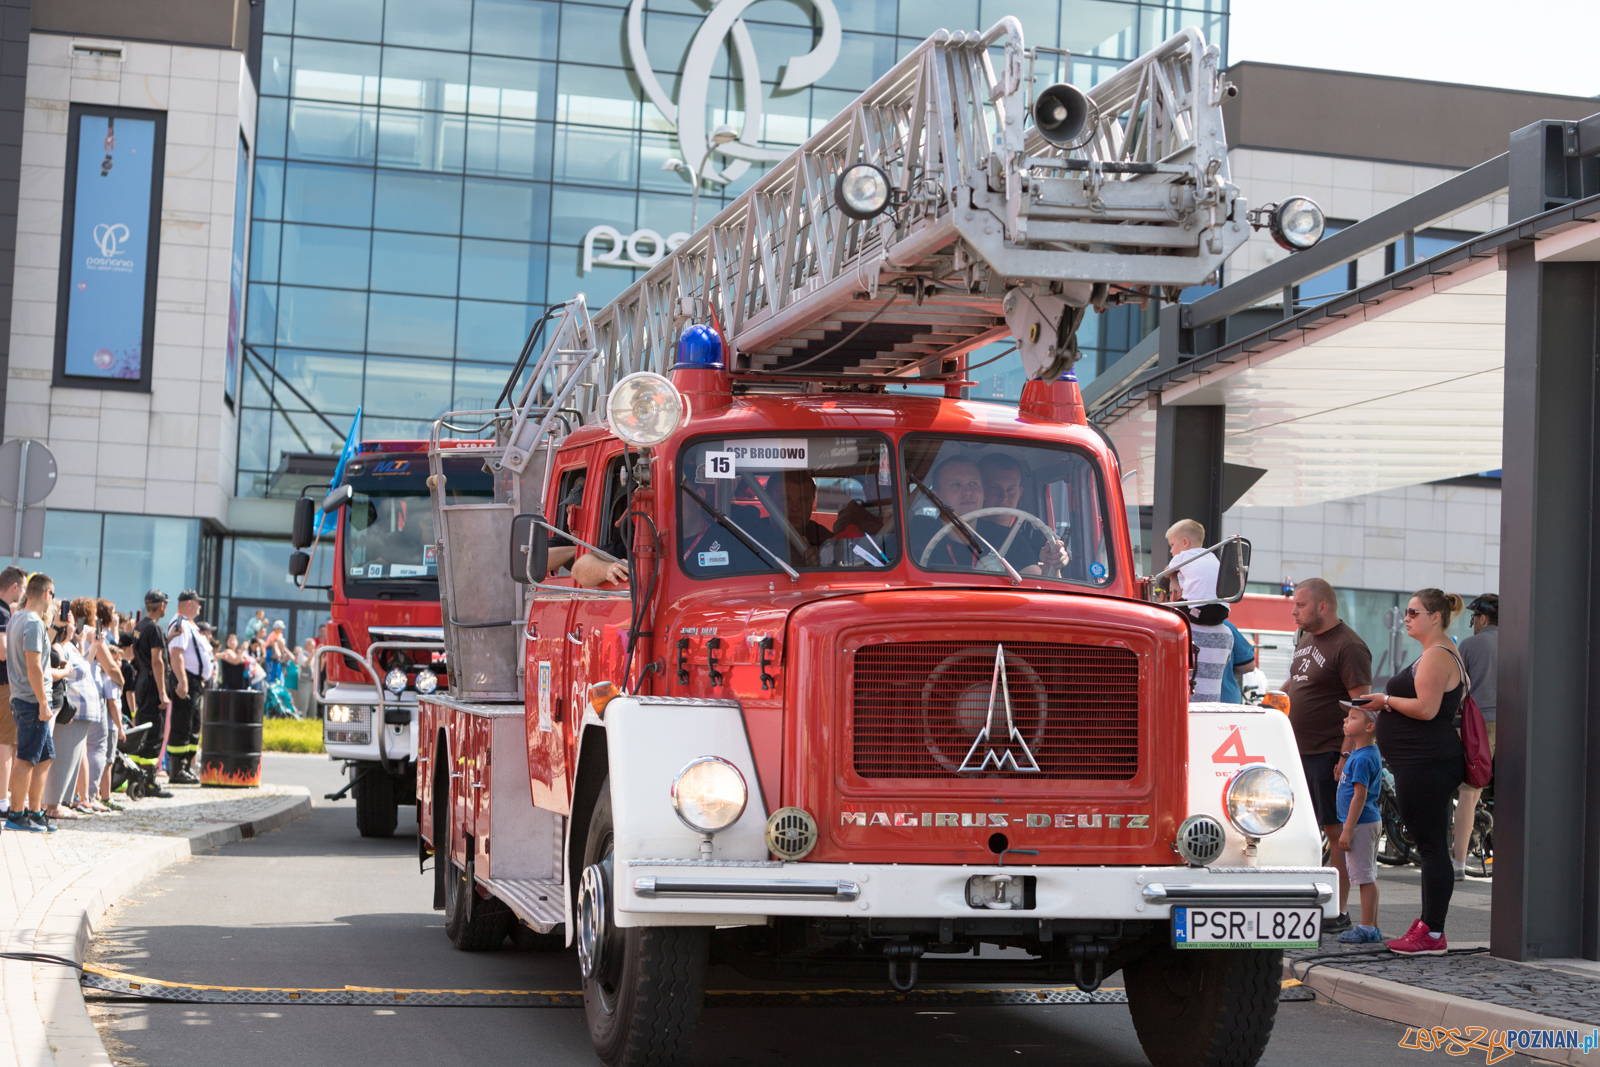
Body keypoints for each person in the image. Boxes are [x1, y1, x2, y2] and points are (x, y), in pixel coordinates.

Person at [1362, 589, 1468, 955]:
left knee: (1431, 846)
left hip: (1427, 762)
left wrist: (1385, 701)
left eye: (1413, 612)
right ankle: (1429, 926)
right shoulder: (1433, 653)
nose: (1406, 617)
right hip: (1420, 762)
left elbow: (1426, 708)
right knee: (1429, 845)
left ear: (1435, 617)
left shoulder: (1438, 654)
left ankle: (1433, 933)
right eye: (1405, 612)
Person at [1284, 577, 1372, 933]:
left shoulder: (1349, 646)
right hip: (1297, 751)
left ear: (1323, 606)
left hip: (1329, 751)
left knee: (1336, 833)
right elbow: (1299, 680)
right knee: (1298, 831)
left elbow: (1362, 706)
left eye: (1300, 605)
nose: (1293, 611)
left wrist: (1346, 755)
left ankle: (1338, 909)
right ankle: (1304, 901)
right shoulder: (1306, 639)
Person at [6, 574, 58, 832]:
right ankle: (16, 814)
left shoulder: (17, 617)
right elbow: (34, 665)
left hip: (25, 697)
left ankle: (35, 812)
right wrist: (43, 702)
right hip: (31, 700)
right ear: (47, 594)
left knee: (46, 756)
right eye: (53, 595)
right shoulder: (34, 622)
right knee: (26, 757)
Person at [1453, 593, 1498, 878]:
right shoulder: (1522, 641)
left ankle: (1458, 864)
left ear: (1482, 618)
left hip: (1480, 724)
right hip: (1520, 722)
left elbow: (1456, 688)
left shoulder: (1469, 646)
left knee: (1468, 794)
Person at [1333, 701, 1384, 943]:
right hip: (1365, 823)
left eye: (1353, 718)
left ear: (1369, 727)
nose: (1345, 720)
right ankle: (1372, 926)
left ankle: (1366, 928)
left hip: (1360, 824)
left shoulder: (1363, 758)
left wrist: (1347, 830)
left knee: (1363, 877)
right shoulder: (1360, 753)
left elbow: (1359, 796)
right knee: (1368, 875)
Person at [1167, 519, 1232, 702]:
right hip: (1220, 610)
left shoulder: (1178, 632)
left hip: (1185, 709)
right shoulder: (1228, 634)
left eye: (1172, 545)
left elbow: (1166, 572)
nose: (1171, 550)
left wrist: (1172, 578)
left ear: (1185, 542)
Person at [975, 453, 1070, 574]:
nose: (1004, 497)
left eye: (1011, 490)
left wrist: (1055, 559)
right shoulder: (967, 530)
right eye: (994, 488)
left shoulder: (1037, 533)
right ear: (981, 490)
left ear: (1019, 493)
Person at [43, 604, 93, 820]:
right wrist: (64, 670)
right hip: (54, 704)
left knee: (59, 757)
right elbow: (54, 671)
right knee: (52, 756)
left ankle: (54, 803)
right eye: (71, 624)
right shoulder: (56, 646)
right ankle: (49, 805)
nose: (74, 627)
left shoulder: (67, 646)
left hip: (63, 706)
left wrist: (86, 644)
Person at [164, 590, 215, 785]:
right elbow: (176, 654)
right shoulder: (181, 624)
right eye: (197, 603)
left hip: (195, 682)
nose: (200, 607)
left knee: (193, 725)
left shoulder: (190, 625)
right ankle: (176, 770)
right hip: (186, 680)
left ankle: (185, 767)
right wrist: (183, 681)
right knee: (181, 724)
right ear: (188, 605)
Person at [128, 589, 175, 799]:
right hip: (152, 685)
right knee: (153, 733)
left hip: (142, 681)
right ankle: (148, 782)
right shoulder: (154, 628)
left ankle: (138, 778)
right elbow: (157, 660)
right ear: (162, 606)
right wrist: (163, 693)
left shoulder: (140, 626)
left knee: (143, 728)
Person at [0, 566, 25, 816]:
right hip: (3, 685)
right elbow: (3, 651)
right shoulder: (2, 613)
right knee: (6, 742)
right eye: (24, 587)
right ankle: (2, 801)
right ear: (14, 587)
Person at [1217, 620, 1258, 705]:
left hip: (1189, 704)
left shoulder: (1183, 624)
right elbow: (1248, 666)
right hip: (1226, 702)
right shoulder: (1224, 625)